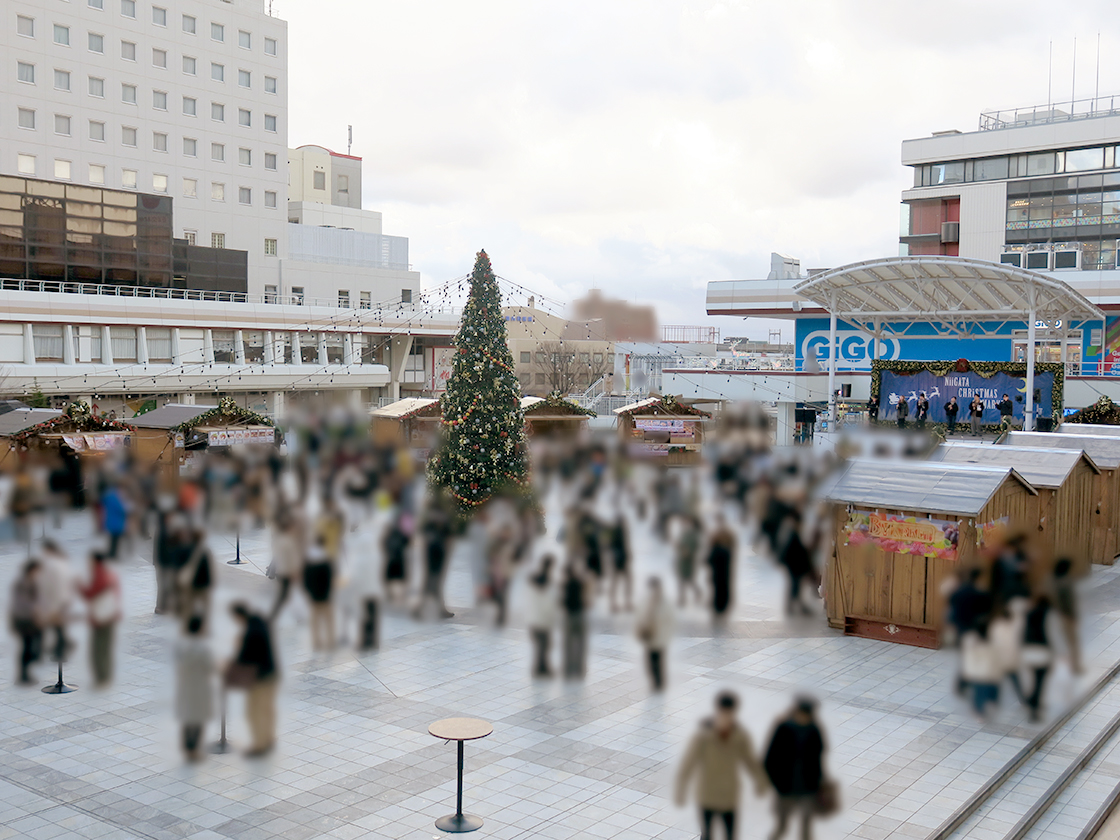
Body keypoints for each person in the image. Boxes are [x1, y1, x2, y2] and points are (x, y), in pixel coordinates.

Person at [676, 691, 767, 840]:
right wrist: (681, 789)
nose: (726, 717)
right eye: (723, 713)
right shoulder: (703, 736)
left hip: (729, 795)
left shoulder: (740, 735)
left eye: (729, 713)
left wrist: (760, 782)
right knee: (707, 835)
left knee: (730, 835)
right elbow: (688, 763)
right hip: (707, 795)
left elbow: (750, 760)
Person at [765, 697, 826, 840]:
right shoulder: (784, 729)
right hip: (786, 789)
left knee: (806, 830)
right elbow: (770, 760)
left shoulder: (813, 730)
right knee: (782, 827)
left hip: (808, 789)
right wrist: (778, 784)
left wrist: (818, 784)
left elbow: (818, 759)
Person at [227, 602, 278, 757]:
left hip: (259, 678)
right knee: (267, 709)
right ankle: (268, 739)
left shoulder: (251, 632)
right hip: (271, 673)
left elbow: (245, 658)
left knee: (254, 712)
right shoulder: (258, 621)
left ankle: (259, 745)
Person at [175, 615, 214, 761]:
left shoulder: (182, 644)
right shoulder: (202, 647)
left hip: (185, 686)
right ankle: (193, 750)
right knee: (198, 719)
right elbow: (210, 667)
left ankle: (187, 748)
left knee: (187, 718)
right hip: (199, 688)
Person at [79, 551, 121, 686]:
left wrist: (79, 587)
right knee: (106, 648)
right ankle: (106, 675)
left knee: (98, 649)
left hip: (102, 618)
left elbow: (90, 594)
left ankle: (101, 678)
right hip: (110, 616)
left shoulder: (99, 574)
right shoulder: (110, 574)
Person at [38, 540, 76, 666]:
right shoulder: (62, 562)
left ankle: (61, 652)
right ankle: (62, 648)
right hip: (64, 600)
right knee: (59, 627)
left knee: (57, 627)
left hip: (57, 601)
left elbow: (52, 586)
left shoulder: (52, 566)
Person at [635, 577, 674, 691]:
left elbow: (670, 620)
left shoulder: (665, 602)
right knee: (650, 660)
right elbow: (640, 617)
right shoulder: (645, 601)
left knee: (659, 659)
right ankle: (655, 681)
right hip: (649, 636)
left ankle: (659, 682)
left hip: (660, 637)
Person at [269, 506, 305, 621]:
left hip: (283, 572)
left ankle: (296, 614)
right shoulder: (287, 541)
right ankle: (275, 616)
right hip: (287, 573)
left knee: (287, 596)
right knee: (287, 595)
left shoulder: (282, 538)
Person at [1021, 595, 1053, 721]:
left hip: (1030, 651)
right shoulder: (1046, 616)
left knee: (1035, 678)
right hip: (1042, 651)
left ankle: (1032, 700)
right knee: (1040, 679)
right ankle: (1034, 703)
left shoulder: (1029, 615)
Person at [9, 559, 41, 685]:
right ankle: (24, 674)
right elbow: (22, 603)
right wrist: (35, 610)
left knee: (33, 644)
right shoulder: (22, 584)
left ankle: (26, 669)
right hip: (23, 620)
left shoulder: (32, 582)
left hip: (30, 619)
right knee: (27, 646)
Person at [303, 533, 335, 650]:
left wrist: (309, 592)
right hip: (325, 596)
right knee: (329, 619)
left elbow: (305, 581)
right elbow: (330, 580)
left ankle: (317, 641)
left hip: (314, 596)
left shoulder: (308, 561)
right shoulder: (326, 560)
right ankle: (330, 640)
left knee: (315, 619)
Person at [1050, 558, 1082, 674]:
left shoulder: (1052, 581)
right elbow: (1069, 603)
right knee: (1072, 642)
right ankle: (1075, 666)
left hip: (1054, 616)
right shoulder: (1066, 584)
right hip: (1066, 617)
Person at [526, 556, 556, 678]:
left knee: (541, 646)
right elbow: (548, 604)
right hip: (543, 620)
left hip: (533, 619)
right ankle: (541, 669)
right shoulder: (547, 582)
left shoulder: (534, 580)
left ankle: (541, 668)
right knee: (544, 645)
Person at [561, 561, 589, 679]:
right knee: (581, 644)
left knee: (568, 644)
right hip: (580, 616)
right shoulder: (580, 583)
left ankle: (568, 669)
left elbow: (562, 602)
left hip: (569, 618)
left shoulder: (565, 585)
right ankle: (579, 668)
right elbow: (586, 599)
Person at [708, 516, 737, 620]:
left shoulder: (718, 535)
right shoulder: (721, 535)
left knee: (720, 587)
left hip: (720, 568)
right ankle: (721, 606)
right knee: (722, 586)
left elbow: (711, 553)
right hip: (722, 567)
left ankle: (720, 606)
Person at [675, 514, 703, 608]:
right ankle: (681, 599)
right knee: (681, 580)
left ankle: (697, 592)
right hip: (681, 560)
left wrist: (686, 551)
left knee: (690, 580)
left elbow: (694, 547)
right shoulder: (683, 533)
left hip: (689, 561)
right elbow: (679, 545)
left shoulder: (693, 535)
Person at [607, 514, 632, 613]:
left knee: (620, 582)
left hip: (620, 559)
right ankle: (617, 603)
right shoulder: (618, 531)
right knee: (618, 582)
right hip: (619, 560)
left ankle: (620, 603)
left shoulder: (619, 531)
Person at [101, 482, 129, 559]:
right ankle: (113, 554)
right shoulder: (115, 497)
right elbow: (121, 509)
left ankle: (111, 553)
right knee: (115, 540)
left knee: (112, 539)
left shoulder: (108, 496)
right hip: (116, 522)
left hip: (110, 521)